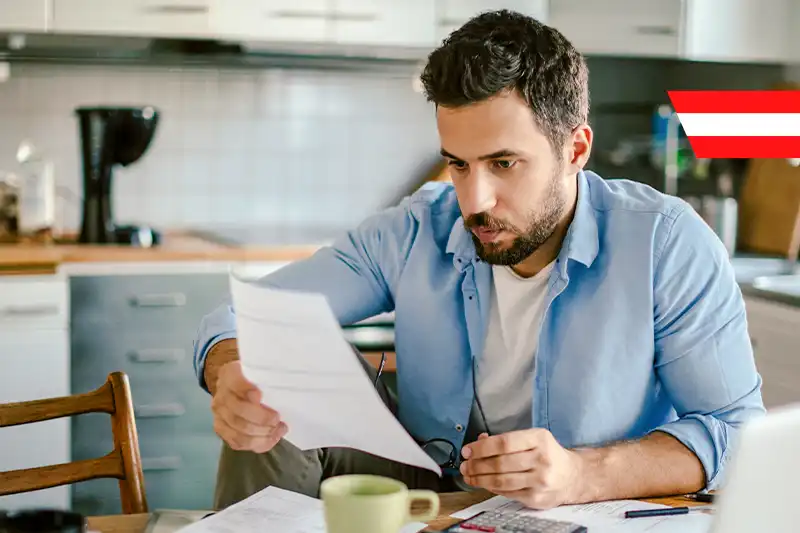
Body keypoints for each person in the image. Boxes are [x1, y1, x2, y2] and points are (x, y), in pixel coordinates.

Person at [193, 9, 765, 511]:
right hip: (430, 483)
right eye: (458, 164)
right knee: (272, 376)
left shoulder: (666, 244)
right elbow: (247, 314)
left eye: (504, 163)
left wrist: (577, 474)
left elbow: (736, 433)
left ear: (576, 149)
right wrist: (232, 372)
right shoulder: (419, 226)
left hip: (590, 507)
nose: (474, 200)